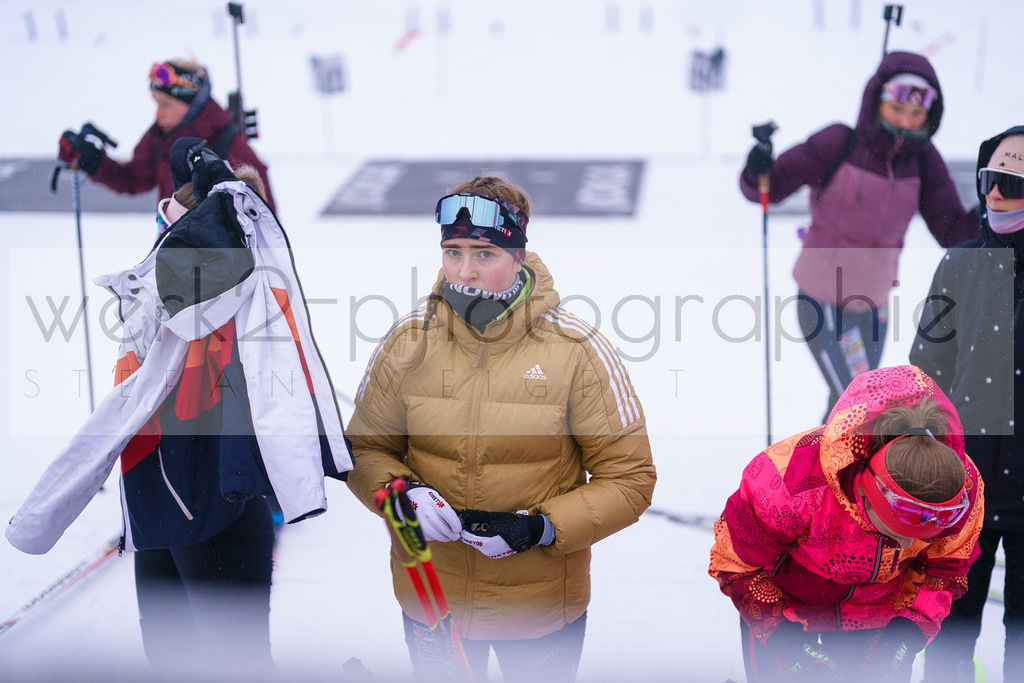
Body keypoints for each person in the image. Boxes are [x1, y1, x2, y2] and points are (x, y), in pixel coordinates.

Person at [7, 140, 352, 675]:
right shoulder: (163, 295)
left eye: (179, 223)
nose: (166, 239)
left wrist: (222, 204)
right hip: (153, 508)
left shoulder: (241, 289)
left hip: (214, 511)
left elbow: (217, 271)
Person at [345, 175, 656, 682]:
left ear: (517, 255)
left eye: (485, 254)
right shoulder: (409, 341)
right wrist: (402, 496)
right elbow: (364, 449)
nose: (464, 271)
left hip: (537, 612)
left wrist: (542, 527)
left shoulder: (577, 352)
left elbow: (631, 479)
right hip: (431, 598)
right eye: (453, 251)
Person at [739, 51, 979, 420]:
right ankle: (826, 474)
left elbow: (954, 231)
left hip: (874, 307)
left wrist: (997, 206)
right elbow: (768, 187)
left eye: (917, 115)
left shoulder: (924, 163)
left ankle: (828, 472)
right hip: (822, 300)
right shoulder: (840, 142)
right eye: (897, 109)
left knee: (850, 403)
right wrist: (759, 169)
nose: (905, 121)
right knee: (859, 401)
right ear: (876, 100)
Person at [709, 365, 983, 683]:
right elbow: (736, 563)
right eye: (894, 533)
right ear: (864, 498)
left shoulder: (962, 486)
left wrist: (907, 632)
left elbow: (946, 568)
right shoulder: (789, 478)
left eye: (919, 538)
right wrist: (786, 641)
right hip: (788, 607)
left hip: (880, 613)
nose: (908, 547)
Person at [911, 126, 1024, 683]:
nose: (994, 196)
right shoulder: (958, 265)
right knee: (948, 632)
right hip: (963, 496)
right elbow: (924, 378)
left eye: (1010, 184)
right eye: (988, 180)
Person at [57, 57, 275, 210]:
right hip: (173, 255)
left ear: (193, 104)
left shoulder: (227, 144)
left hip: (220, 268)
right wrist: (93, 160)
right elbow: (135, 179)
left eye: (166, 104)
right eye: (156, 103)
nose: (158, 113)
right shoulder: (161, 137)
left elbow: (265, 220)